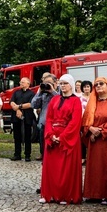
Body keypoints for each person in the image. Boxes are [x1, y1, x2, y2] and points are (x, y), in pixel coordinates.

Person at [39, 74, 83, 204]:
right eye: (61, 83)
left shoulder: (76, 101)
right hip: (52, 136)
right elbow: (49, 118)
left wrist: (62, 137)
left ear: (71, 85)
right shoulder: (54, 99)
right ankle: (50, 194)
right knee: (51, 168)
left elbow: (75, 122)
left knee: (65, 169)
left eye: (65, 83)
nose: (63, 86)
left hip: (67, 137)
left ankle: (64, 195)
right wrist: (51, 135)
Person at [81, 77, 107, 204]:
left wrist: (99, 131)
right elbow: (86, 120)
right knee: (94, 167)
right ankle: (93, 194)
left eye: (101, 84)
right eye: (96, 84)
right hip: (94, 140)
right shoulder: (93, 102)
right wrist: (90, 129)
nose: (98, 86)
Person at [31, 73, 58, 163]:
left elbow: (61, 101)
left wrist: (52, 91)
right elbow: (33, 105)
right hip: (43, 124)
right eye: (45, 82)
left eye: (49, 83)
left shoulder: (59, 93)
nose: (47, 85)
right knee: (43, 146)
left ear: (55, 83)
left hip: (56, 126)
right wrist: (39, 92)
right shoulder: (43, 94)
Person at [10, 77, 36, 162]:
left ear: (28, 84)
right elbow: (12, 102)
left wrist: (20, 106)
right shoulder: (16, 92)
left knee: (27, 136)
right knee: (17, 136)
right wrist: (17, 110)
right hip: (16, 116)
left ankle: (27, 155)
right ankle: (17, 154)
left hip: (27, 116)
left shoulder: (32, 93)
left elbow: (30, 104)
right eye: (20, 82)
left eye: (23, 82)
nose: (21, 83)